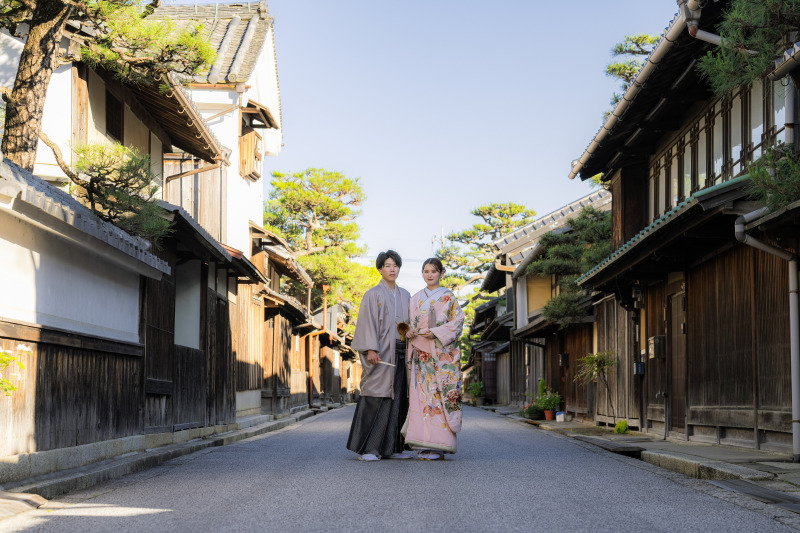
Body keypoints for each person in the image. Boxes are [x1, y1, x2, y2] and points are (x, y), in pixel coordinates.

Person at [347, 250, 414, 461]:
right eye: (387, 265)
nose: (392, 269)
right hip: (382, 352)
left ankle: (393, 448)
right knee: (377, 396)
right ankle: (369, 449)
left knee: (398, 399)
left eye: (395, 265)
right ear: (380, 269)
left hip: (402, 352)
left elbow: (409, 324)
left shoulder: (405, 295)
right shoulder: (373, 294)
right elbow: (367, 323)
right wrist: (370, 349)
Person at [404, 258, 465, 460]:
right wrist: (410, 332)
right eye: (426, 271)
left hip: (440, 355)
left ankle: (440, 446)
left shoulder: (448, 297)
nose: (429, 275)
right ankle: (423, 443)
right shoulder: (415, 298)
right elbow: (410, 323)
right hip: (420, 356)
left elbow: (458, 322)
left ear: (441, 273)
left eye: (434, 271)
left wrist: (437, 332)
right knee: (422, 398)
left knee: (438, 397)